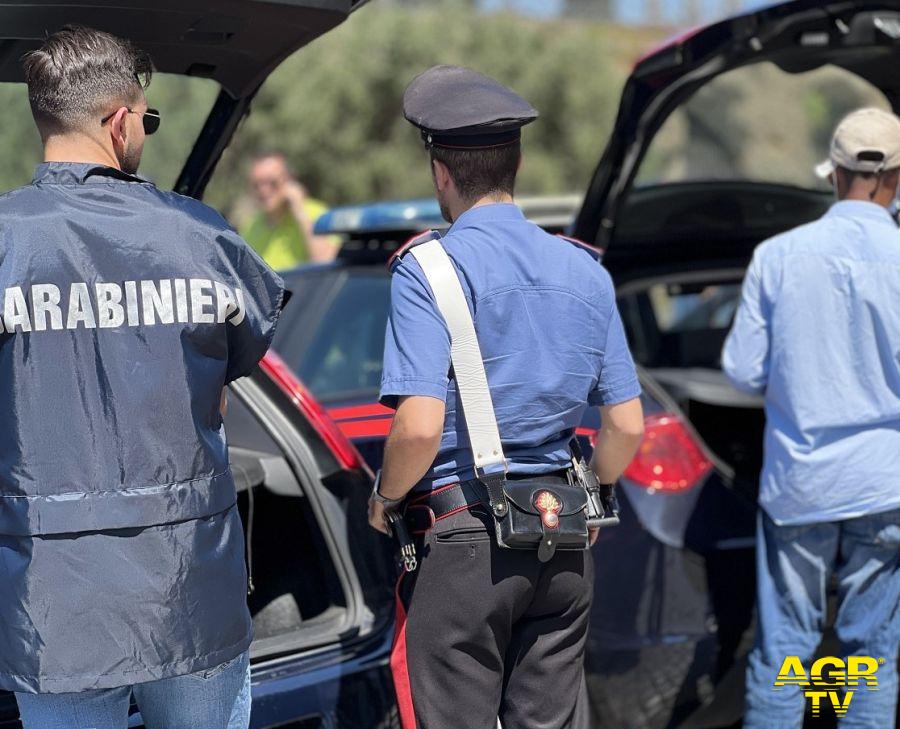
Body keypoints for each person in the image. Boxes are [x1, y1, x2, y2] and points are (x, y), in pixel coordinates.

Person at [1, 25, 284, 728]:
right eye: (147, 120)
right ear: (121, 118)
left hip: (55, 604)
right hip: (190, 586)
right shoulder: (203, 237)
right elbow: (225, 376)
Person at [367, 65, 645, 729]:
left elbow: (418, 427)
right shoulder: (585, 268)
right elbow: (627, 426)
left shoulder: (427, 269)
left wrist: (383, 500)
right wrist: (596, 492)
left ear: (440, 172)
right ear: (516, 163)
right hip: (565, 536)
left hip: (467, 544)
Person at [723, 107, 900, 728]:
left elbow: (742, 372)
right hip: (885, 483)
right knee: (868, 654)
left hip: (801, 483)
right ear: (896, 178)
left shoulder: (777, 256)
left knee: (785, 655)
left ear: (836, 175)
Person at [240, 152, 336, 269]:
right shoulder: (252, 225)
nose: (263, 190)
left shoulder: (317, 214)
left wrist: (299, 211)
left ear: (289, 181)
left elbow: (327, 262)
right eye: (256, 185)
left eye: (272, 182)